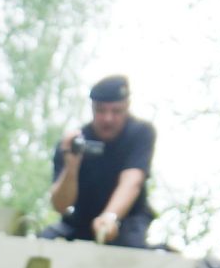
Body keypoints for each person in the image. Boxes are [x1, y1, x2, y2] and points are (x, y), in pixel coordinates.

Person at [40, 75, 156, 249]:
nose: (108, 118)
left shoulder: (140, 133)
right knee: (41, 243)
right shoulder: (73, 143)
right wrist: (71, 166)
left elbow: (132, 181)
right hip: (80, 221)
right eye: (101, 110)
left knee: (130, 253)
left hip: (126, 222)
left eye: (116, 111)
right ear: (92, 108)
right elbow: (61, 205)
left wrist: (110, 217)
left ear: (127, 107)